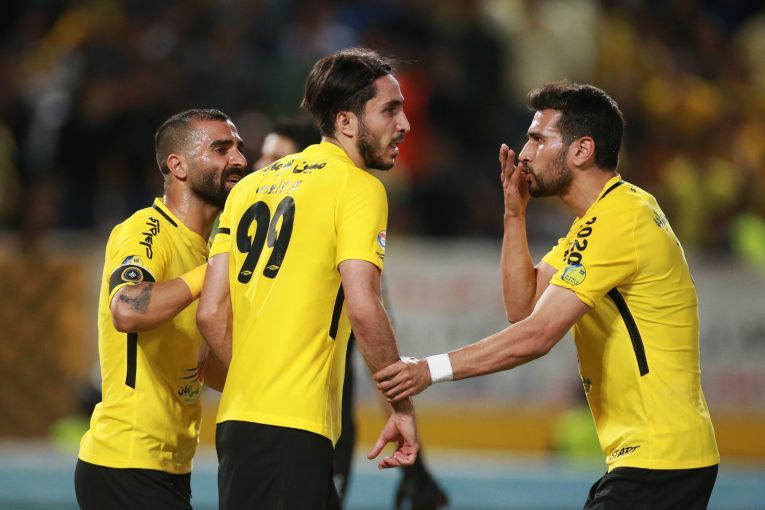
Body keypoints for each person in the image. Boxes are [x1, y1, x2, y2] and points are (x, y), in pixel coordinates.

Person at [375, 81, 720, 509]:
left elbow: (538, 335)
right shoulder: (596, 222)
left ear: (582, 150)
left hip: (660, 459)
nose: (524, 153)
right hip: (658, 458)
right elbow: (522, 307)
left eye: (538, 139)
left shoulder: (620, 220)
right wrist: (514, 215)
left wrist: (429, 369)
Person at [196, 47, 419, 510]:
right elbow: (363, 306)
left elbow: (211, 312)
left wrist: (259, 382)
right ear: (346, 122)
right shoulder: (358, 188)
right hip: (296, 427)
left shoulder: (248, 189)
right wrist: (401, 405)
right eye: (390, 110)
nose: (404, 124)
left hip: (237, 421)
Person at [255, 115, 448, 509]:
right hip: (255, 420)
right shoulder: (252, 237)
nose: (263, 167)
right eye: (264, 157)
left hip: (321, 428)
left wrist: (415, 464)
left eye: (276, 158)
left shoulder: (347, 255)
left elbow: (377, 348)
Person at [75, 108, 245, 510]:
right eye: (221, 148)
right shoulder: (147, 229)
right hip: (126, 462)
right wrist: (213, 272)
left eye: (239, 148)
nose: (239, 159)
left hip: (167, 468)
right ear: (178, 166)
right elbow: (127, 309)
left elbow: (207, 370)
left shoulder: (207, 250)